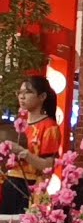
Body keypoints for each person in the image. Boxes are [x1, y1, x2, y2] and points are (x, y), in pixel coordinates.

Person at [1, 76, 62, 214]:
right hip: (9, 182)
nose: (22, 97)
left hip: (30, 186)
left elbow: (48, 165)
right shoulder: (19, 123)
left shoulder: (49, 127)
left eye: (28, 92)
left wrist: (25, 153)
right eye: (20, 92)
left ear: (42, 96)